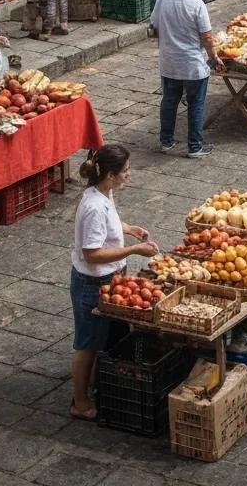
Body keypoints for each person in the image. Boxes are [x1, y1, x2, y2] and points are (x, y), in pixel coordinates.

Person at [70, 145, 158, 421]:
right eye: (125, 170)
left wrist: (127, 228)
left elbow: (108, 224)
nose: (128, 174)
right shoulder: (93, 208)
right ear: (110, 174)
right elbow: (92, 254)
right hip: (92, 282)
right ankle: (80, 402)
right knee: (87, 344)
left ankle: (95, 384)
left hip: (107, 279)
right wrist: (133, 250)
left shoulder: (101, 193)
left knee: (101, 338)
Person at [149, 0, 224, 158]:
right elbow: (207, 37)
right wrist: (214, 58)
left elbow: (153, 28)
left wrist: (169, 37)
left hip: (169, 62)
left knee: (169, 101)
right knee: (196, 104)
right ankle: (195, 146)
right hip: (192, 64)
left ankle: (166, 141)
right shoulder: (197, 4)